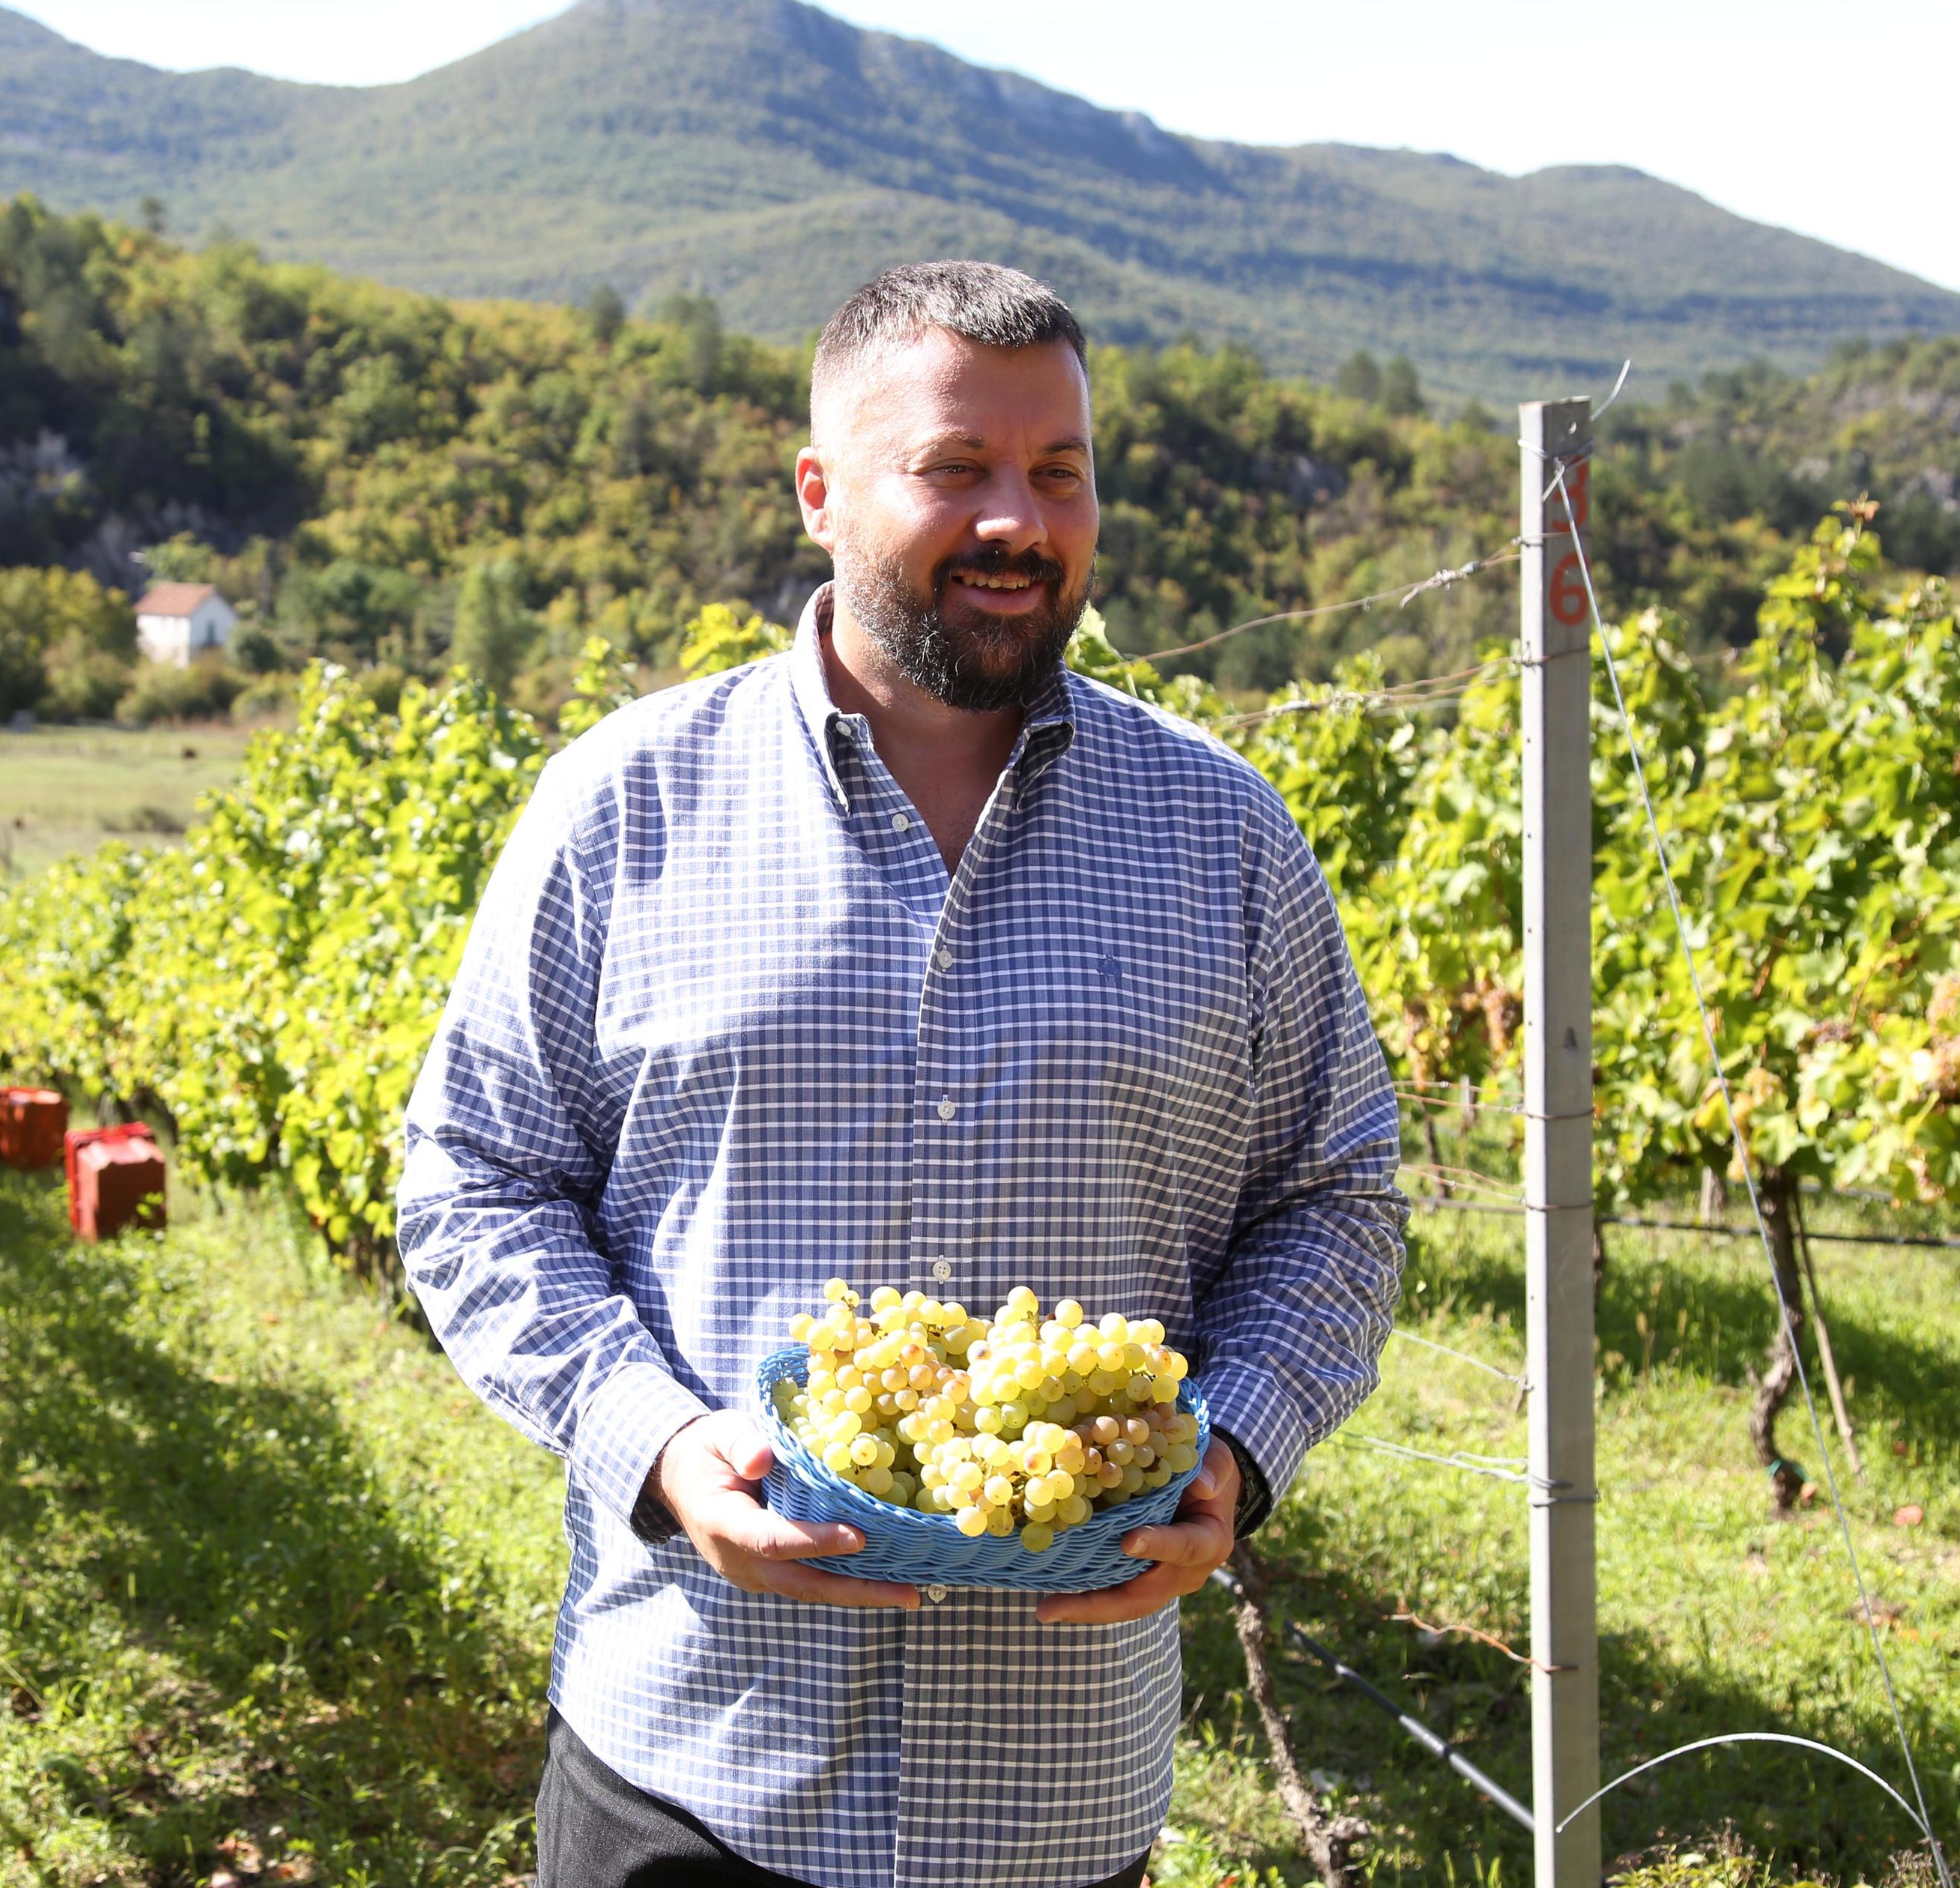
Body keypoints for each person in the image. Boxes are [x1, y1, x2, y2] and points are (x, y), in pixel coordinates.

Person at [398, 261, 1405, 1888]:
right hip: (692, 1763)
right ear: (820, 491)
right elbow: (473, 1179)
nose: (1018, 517)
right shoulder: (623, 806)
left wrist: (1241, 1447)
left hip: (1054, 1802)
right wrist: (655, 1441)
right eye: (956, 469)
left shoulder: (1224, 834)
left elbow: (1334, 1195)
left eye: (1058, 472)